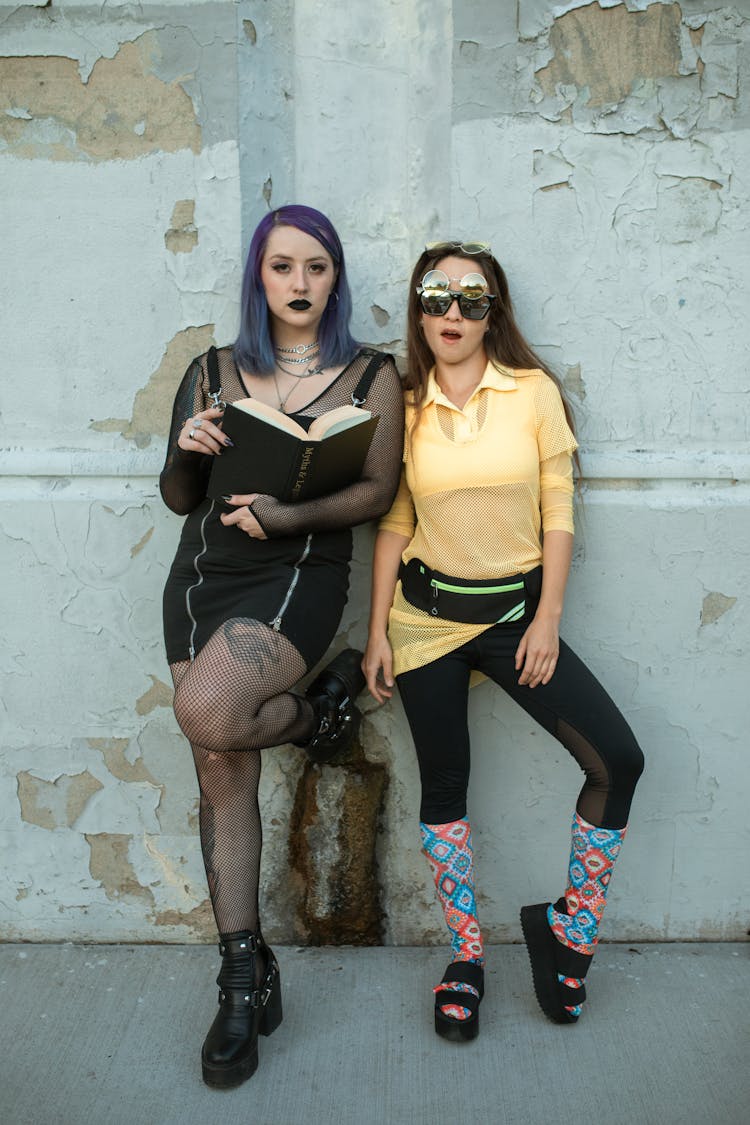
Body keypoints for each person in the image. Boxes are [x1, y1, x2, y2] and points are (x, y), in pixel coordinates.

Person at [363, 240, 644, 1043]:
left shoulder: (531, 392)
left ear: (495, 310)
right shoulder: (403, 404)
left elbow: (558, 503)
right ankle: (466, 957)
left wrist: (548, 616)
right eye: (436, 295)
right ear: (418, 308)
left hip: (518, 618)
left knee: (617, 759)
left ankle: (568, 930)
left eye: (471, 298)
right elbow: (393, 521)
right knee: (446, 785)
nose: (453, 312)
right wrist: (378, 629)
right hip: (425, 626)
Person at [160, 204, 404, 1087]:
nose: (299, 284)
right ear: (258, 277)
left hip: (300, 570)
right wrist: (189, 447)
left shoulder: (372, 373)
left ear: (335, 278)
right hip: (204, 574)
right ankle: (241, 978)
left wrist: (286, 514)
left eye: (316, 268)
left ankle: (311, 706)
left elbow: (377, 490)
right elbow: (180, 496)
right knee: (219, 764)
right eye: (281, 267)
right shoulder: (213, 370)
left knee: (207, 711)